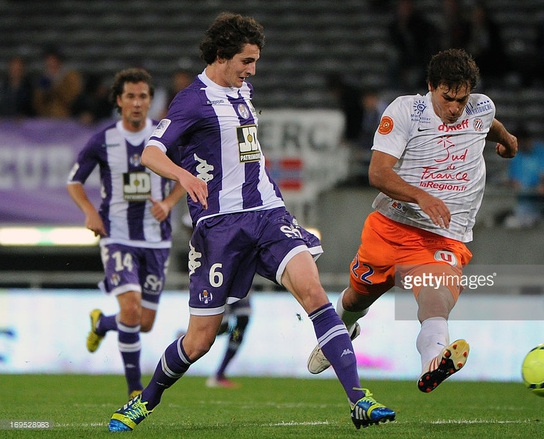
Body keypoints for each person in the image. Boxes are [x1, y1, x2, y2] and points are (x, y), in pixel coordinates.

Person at [107, 12, 395, 432]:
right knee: (200, 340)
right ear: (222, 56)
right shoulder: (193, 100)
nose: (252, 69)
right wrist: (183, 175)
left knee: (314, 291)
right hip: (221, 227)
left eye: (255, 60)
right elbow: (151, 153)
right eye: (246, 60)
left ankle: (359, 400)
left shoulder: (243, 90)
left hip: (267, 212)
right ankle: (144, 401)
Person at [307, 48, 518, 393]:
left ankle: (433, 362)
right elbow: (378, 172)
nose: (454, 108)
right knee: (356, 299)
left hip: (444, 235)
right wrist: (421, 195)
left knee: (436, 298)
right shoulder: (407, 111)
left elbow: (487, 124)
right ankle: (342, 330)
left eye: (461, 100)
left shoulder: (480, 107)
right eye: (447, 98)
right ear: (431, 86)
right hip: (392, 226)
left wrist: (507, 141)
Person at [67, 68, 186, 399]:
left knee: (144, 322)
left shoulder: (165, 137)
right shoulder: (103, 140)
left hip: (156, 239)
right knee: (132, 311)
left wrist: (169, 201)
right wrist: (90, 212)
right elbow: (74, 181)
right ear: (119, 101)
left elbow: (187, 174)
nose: (137, 103)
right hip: (117, 234)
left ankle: (102, 323)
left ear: (150, 100)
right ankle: (135, 389)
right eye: (130, 96)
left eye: (143, 96)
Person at [503, 126, 544, 228]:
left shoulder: (543, 152)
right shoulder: (517, 156)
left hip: (542, 204)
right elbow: (512, 178)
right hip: (523, 204)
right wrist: (512, 183)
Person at [386, 0, 442, 92]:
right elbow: (396, 50)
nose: (405, 9)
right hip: (401, 66)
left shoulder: (421, 27)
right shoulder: (394, 27)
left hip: (418, 65)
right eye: (402, 6)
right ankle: (394, 91)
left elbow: (423, 52)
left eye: (407, 6)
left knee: (415, 76)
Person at [205, 295, 252, 388]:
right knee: (220, 328)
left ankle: (219, 374)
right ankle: (187, 337)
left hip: (241, 286)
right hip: (223, 287)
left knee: (243, 321)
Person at [32, 47, 83, 118]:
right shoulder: (43, 78)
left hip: (66, 116)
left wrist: (56, 88)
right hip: (46, 118)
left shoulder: (70, 76)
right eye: (49, 60)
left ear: (59, 60)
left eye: (53, 59)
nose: (51, 62)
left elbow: (75, 98)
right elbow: (37, 102)